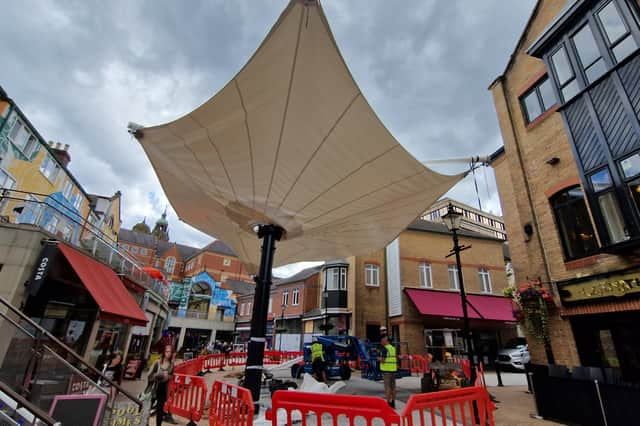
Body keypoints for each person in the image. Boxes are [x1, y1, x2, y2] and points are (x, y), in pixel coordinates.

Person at [148, 344, 175, 426]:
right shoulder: (157, 362)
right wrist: (161, 374)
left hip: (163, 389)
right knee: (148, 408)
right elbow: (149, 376)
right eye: (167, 351)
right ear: (164, 352)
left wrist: (168, 376)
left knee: (160, 410)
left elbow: (171, 375)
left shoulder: (171, 364)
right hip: (153, 388)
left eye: (170, 352)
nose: (168, 353)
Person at [380, 335, 397, 408]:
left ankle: (388, 403)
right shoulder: (393, 348)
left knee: (387, 387)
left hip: (387, 371)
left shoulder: (385, 349)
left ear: (386, 340)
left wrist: (378, 359)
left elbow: (383, 360)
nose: (381, 341)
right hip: (393, 370)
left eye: (382, 340)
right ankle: (393, 403)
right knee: (393, 387)